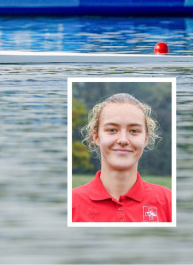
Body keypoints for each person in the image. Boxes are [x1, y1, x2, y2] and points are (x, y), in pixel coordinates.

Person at [72, 93, 172, 223]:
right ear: (96, 137)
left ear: (146, 139)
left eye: (134, 131)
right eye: (112, 130)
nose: (123, 140)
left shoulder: (169, 202)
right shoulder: (71, 203)